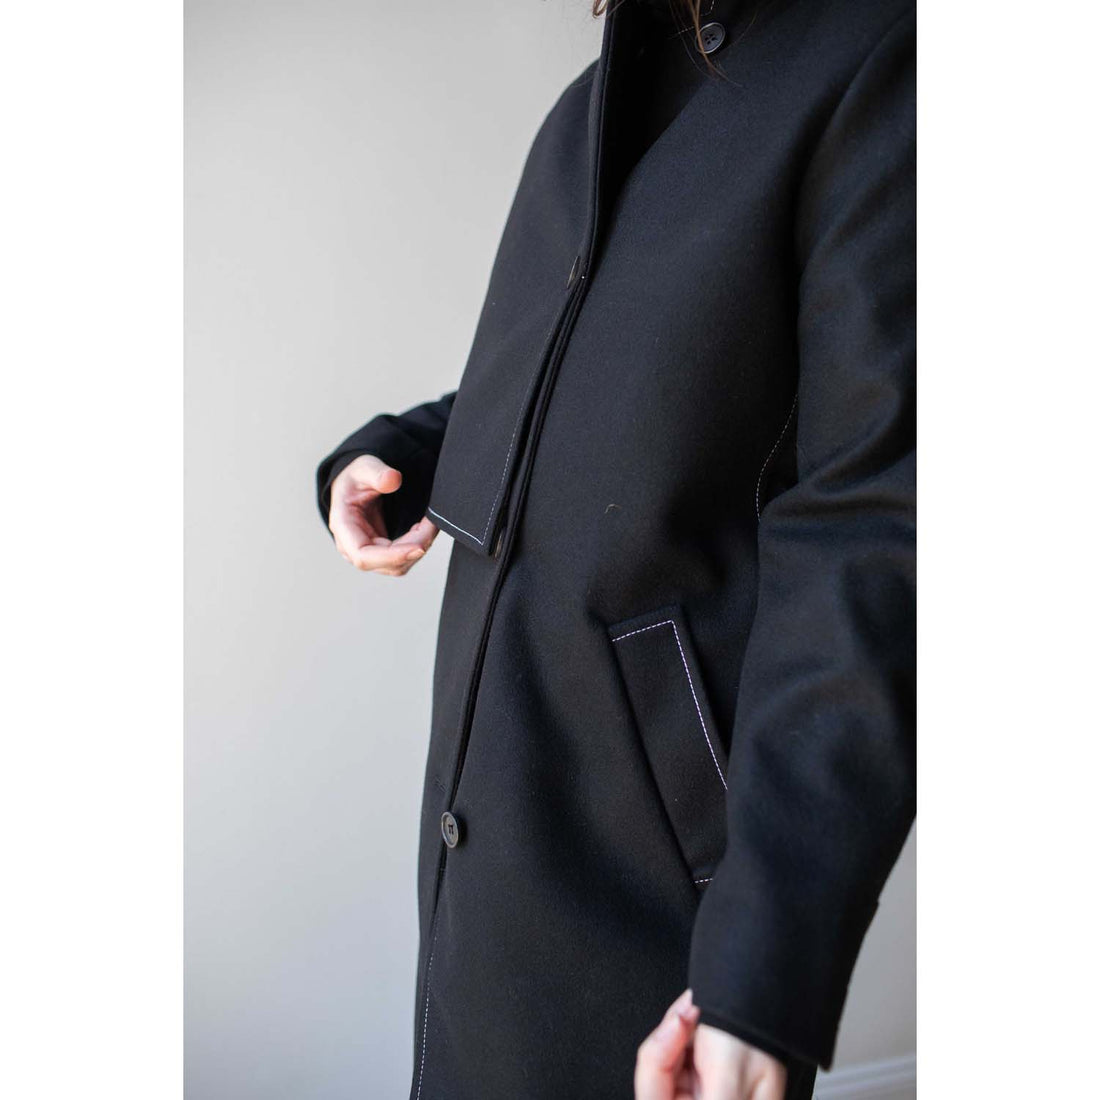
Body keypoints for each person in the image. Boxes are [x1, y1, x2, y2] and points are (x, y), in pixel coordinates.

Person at [315, 0, 915, 1097]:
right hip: (488, 819)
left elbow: (877, 525)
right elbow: (550, 394)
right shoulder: (582, 113)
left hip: (648, 893)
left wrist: (763, 970)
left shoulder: (880, 60)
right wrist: (398, 452)